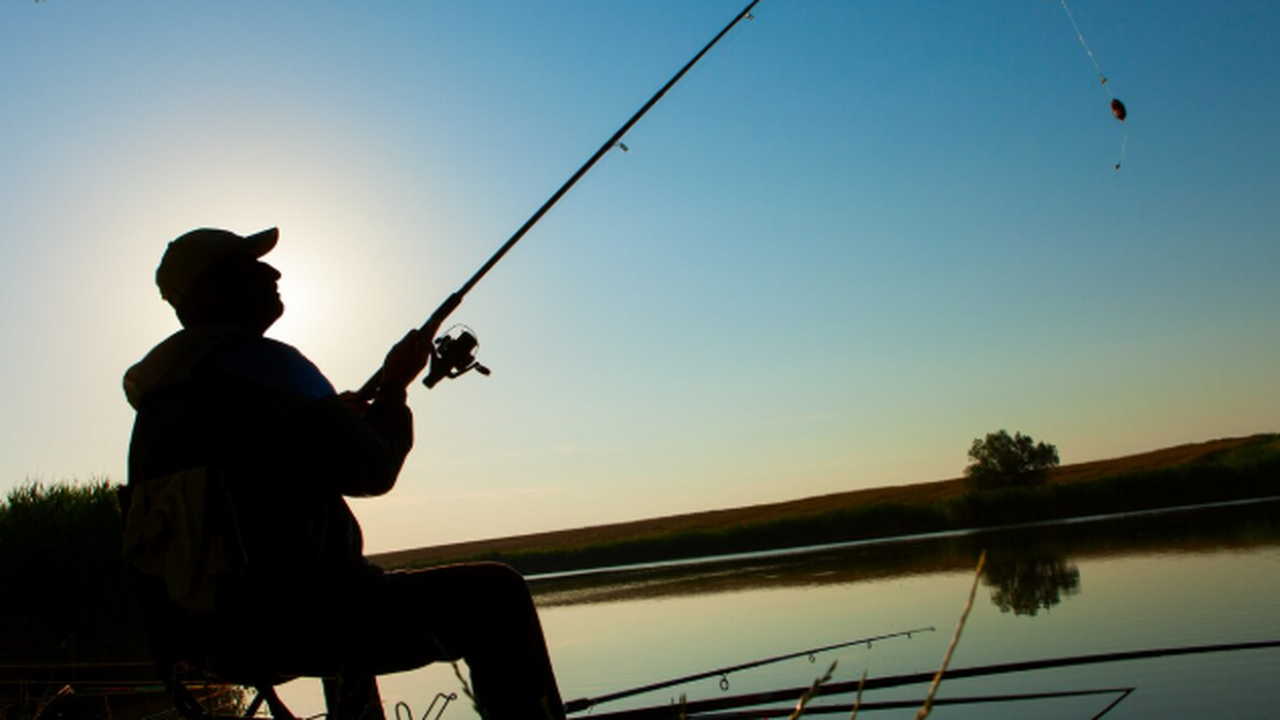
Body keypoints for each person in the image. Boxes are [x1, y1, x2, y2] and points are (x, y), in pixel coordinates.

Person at [122, 227, 566, 720]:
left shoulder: (158, 405)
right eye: (253, 265)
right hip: (306, 624)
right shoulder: (269, 366)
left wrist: (334, 415)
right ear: (218, 284)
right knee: (498, 595)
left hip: (205, 637)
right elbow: (373, 469)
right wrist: (395, 387)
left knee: (339, 584)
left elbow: (259, 475)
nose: (273, 272)